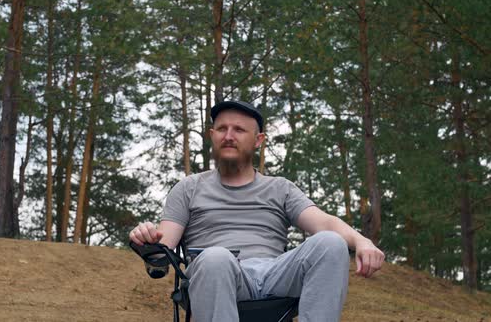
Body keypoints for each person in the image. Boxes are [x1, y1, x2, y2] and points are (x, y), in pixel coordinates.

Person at [129, 100, 384, 322]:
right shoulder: (189, 188)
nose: (229, 136)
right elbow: (162, 249)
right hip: (219, 272)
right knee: (216, 257)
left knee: (330, 243)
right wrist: (147, 238)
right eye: (222, 129)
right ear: (212, 135)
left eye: (239, 129)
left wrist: (361, 241)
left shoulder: (280, 188)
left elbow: (325, 223)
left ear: (259, 139)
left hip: (276, 274)